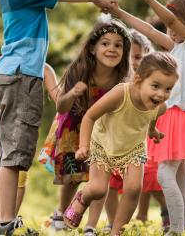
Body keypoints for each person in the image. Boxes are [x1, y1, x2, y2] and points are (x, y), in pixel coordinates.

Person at [0, 0, 147, 235]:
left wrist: (94, 1)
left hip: (9, 75)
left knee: (8, 154)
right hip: (23, 78)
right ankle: (5, 222)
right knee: (15, 155)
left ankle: (1, 220)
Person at [110, 0, 185, 234]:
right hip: (174, 116)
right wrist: (118, 13)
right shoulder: (177, 47)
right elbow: (149, 31)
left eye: (176, 21)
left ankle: (176, 229)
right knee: (181, 178)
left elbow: (169, 21)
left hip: (179, 115)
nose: (170, 29)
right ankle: (183, 228)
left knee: (164, 175)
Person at [63, 52, 179, 236]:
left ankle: (117, 231)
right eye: (156, 86)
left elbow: (152, 117)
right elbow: (90, 116)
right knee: (99, 189)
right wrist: (84, 146)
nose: (161, 94)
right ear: (139, 80)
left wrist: (152, 131)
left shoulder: (160, 106)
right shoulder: (121, 93)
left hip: (133, 148)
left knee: (134, 188)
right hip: (104, 143)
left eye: (168, 89)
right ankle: (82, 197)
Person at [38, 19, 132, 235]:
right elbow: (61, 106)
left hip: (104, 130)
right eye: (105, 43)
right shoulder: (80, 69)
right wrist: (72, 93)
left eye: (118, 45)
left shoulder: (124, 78)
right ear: (92, 47)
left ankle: (90, 224)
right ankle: (60, 214)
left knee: (100, 179)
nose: (112, 49)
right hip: (74, 125)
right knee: (72, 176)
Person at [0, 57, 58, 236]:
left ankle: (9, 222)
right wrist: (1, 120)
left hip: (23, 131)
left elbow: (58, 95)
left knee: (20, 177)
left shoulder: (43, 68)